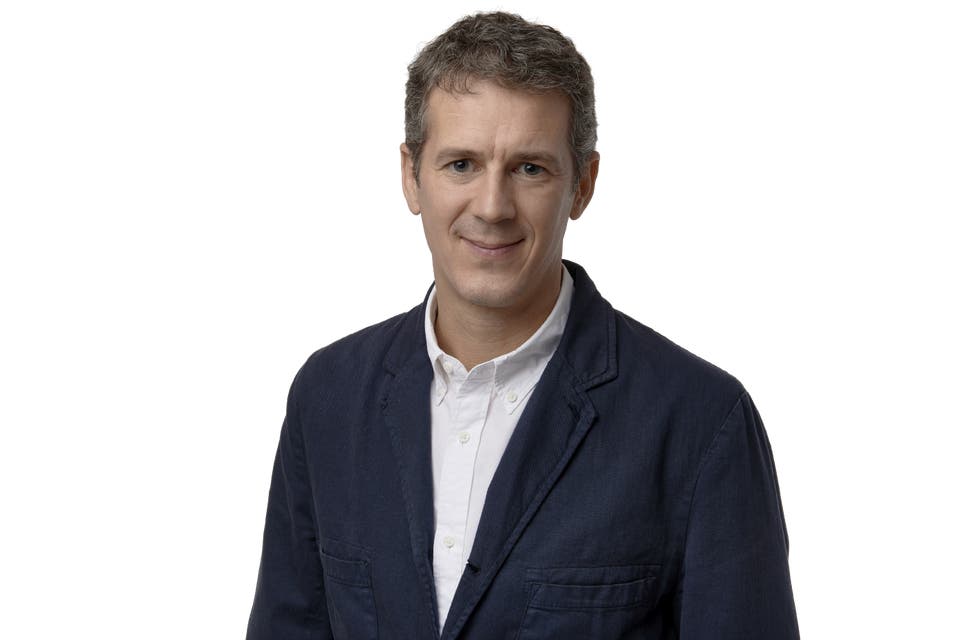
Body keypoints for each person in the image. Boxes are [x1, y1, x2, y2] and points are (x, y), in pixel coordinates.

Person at [246, 11, 800, 640]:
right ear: (411, 176)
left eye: (530, 168)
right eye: (461, 164)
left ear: (583, 184)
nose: (492, 207)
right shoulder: (327, 396)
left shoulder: (701, 421)